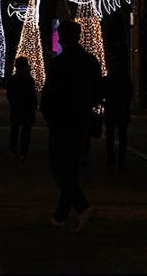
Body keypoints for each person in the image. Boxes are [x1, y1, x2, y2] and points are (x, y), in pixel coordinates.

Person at [40, 20, 102, 232]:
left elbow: (49, 96)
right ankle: (60, 215)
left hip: (61, 121)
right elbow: (98, 92)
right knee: (73, 167)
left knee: (58, 166)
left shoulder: (59, 63)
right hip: (81, 120)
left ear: (62, 38)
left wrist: (49, 116)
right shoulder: (90, 61)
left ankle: (82, 207)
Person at [103, 42, 133, 168]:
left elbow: (104, 91)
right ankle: (121, 158)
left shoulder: (109, 78)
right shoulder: (124, 77)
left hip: (111, 108)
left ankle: (111, 158)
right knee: (122, 134)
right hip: (122, 109)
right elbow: (129, 92)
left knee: (110, 135)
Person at [6, 56, 38, 159]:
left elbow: (9, 94)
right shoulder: (29, 79)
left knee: (14, 130)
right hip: (27, 108)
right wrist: (34, 105)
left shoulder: (13, 79)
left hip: (16, 108)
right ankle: (23, 151)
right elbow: (33, 95)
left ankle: (13, 149)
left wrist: (13, 104)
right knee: (26, 131)